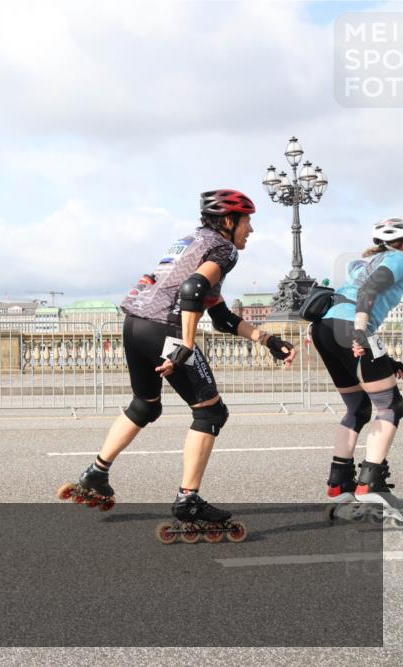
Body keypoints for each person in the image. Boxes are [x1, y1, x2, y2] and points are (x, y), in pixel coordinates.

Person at [58, 189, 296, 540]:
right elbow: (193, 288)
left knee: (145, 405)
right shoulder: (224, 248)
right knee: (211, 413)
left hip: (135, 323)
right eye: (247, 221)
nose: (251, 230)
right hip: (164, 329)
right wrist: (185, 344)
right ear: (229, 222)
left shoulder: (194, 243)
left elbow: (222, 317)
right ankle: (189, 500)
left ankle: (96, 472)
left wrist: (268, 340)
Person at [313, 217, 403, 520]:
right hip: (353, 326)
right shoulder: (398, 259)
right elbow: (368, 294)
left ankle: (340, 486)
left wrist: (387, 362)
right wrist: (363, 332)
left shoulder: (362, 263)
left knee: (358, 407)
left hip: (325, 328)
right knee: (390, 406)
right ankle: (371, 487)